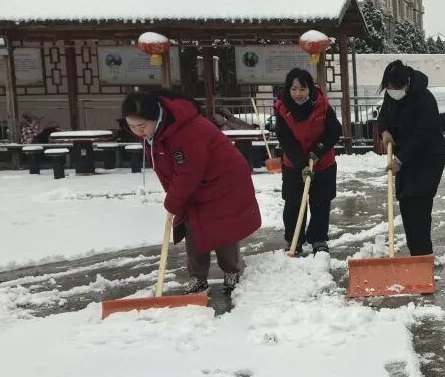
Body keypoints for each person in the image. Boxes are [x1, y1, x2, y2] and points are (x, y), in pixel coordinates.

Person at [122, 89, 262, 295]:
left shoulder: (186, 130)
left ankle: (231, 270)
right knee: (192, 228)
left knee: (223, 228)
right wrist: (176, 197)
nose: (138, 132)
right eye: (132, 127)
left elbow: (188, 171)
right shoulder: (156, 132)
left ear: (155, 117)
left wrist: (173, 200)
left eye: (141, 126)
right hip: (195, 185)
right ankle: (198, 278)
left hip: (222, 182)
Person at [375, 60, 445, 256]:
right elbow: (383, 116)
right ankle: (417, 255)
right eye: (388, 87)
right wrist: (384, 131)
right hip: (405, 157)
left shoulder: (424, 99)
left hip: (427, 159)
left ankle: (423, 256)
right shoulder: (391, 95)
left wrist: (399, 160)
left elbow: (423, 136)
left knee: (418, 206)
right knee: (406, 204)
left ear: (406, 83)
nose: (391, 91)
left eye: (395, 87)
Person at [273, 68, 342, 255]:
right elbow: (285, 138)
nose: (298, 94)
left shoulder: (322, 105)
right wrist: (302, 164)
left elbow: (334, 131)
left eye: (302, 89)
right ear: (288, 89)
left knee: (320, 201)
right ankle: (293, 239)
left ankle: (318, 238)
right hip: (294, 163)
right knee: (294, 202)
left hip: (323, 162)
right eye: (293, 89)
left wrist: (317, 151)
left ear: (310, 89)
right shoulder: (282, 108)